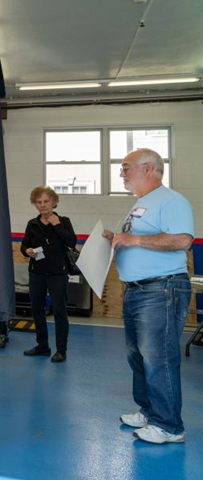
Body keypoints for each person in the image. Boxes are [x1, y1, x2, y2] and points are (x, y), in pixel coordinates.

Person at [103, 148, 193, 444]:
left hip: (162, 289)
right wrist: (114, 239)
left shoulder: (170, 200)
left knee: (159, 358)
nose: (122, 173)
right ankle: (149, 411)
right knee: (138, 356)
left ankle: (169, 426)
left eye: (126, 167)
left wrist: (135, 239)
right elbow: (135, 239)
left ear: (149, 168)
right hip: (138, 291)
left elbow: (182, 239)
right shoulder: (141, 203)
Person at [20, 186, 77, 363]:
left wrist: (57, 225)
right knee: (37, 310)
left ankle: (61, 350)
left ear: (53, 202)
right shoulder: (32, 224)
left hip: (58, 274)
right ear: (35, 204)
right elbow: (23, 246)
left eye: (46, 201)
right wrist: (27, 251)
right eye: (39, 202)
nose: (43, 205)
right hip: (36, 272)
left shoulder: (64, 221)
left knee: (59, 311)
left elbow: (71, 242)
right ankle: (42, 346)